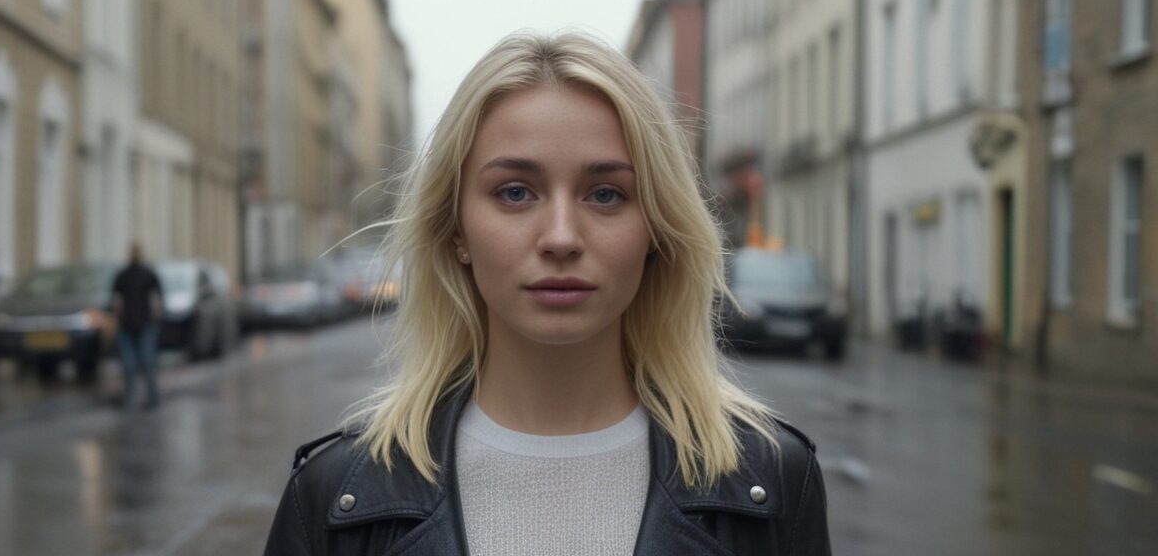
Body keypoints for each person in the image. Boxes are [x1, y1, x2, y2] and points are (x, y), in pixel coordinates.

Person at [263, 33, 831, 555]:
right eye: (515, 192)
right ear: (455, 229)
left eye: (606, 195)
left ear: (656, 229)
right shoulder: (334, 495)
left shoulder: (772, 479)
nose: (561, 237)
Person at [111, 243, 164, 410]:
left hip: (145, 325)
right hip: (126, 326)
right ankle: (129, 399)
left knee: (147, 363)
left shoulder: (148, 274)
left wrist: (155, 319)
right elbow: (116, 300)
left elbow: (157, 298)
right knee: (128, 365)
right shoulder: (122, 275)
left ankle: (152, 397)